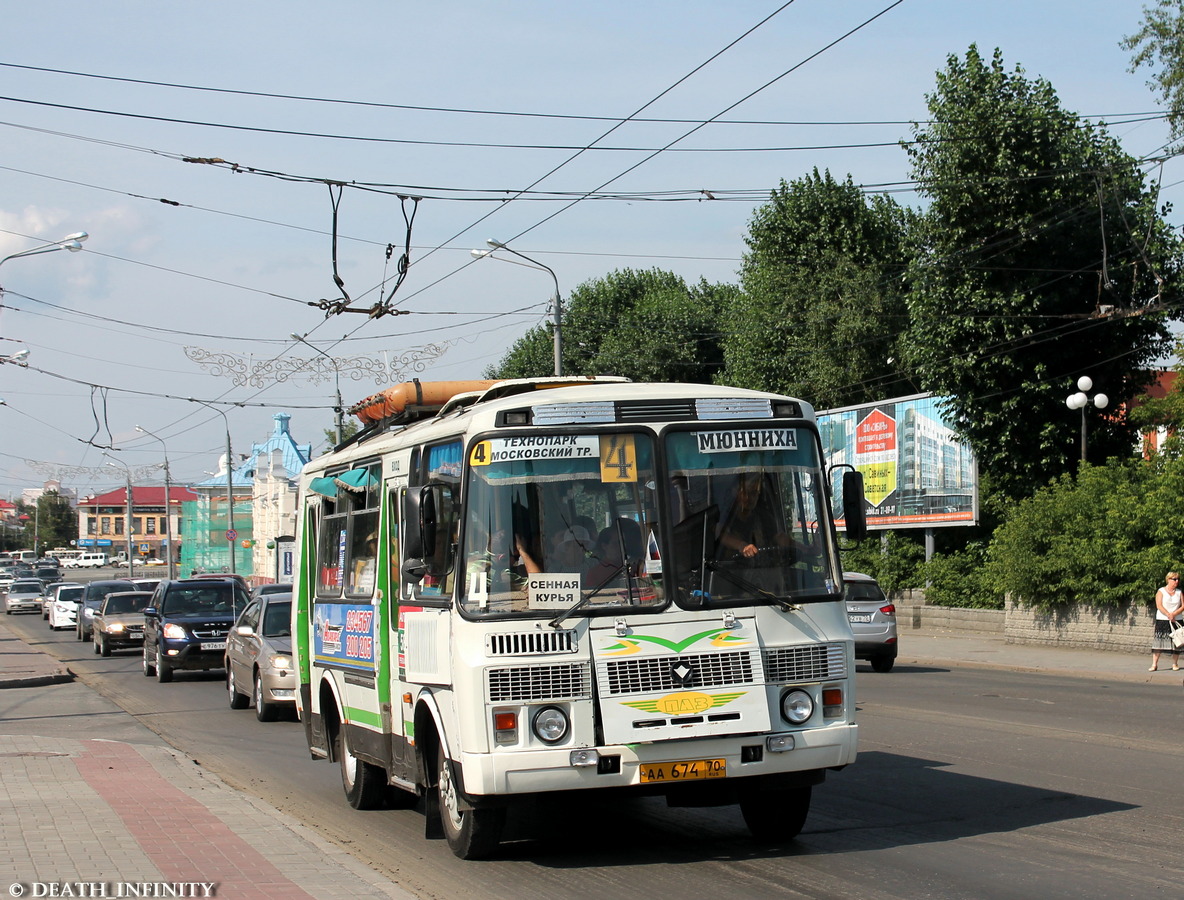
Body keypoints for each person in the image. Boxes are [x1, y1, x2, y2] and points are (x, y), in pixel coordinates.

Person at [1150, 571, 1183, 671]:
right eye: (1174, 579)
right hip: (1163, 619)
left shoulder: (1179, 592)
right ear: (1168, 580)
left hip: (1176, 619)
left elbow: (1183, 606)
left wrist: (1174, 614)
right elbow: (1159, 605)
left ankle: (1175, 664)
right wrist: (1168, 614)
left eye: (1178, 579)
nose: (1176, 581)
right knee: (1158, 642)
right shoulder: (1161, 591)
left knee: (1177, 642)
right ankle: (1154, 664)